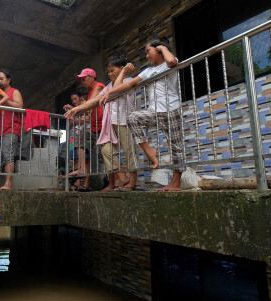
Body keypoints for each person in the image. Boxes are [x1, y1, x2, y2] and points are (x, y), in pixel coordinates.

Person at [101, 38, 186, 192]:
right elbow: (128, 84)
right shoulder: (148, 71)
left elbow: (172, 61)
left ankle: (175, 183)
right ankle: (149, 151)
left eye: (148, 51)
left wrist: (162, 47)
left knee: (176, 146)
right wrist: (109, 93)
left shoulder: (168, 62)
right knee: (133, 118)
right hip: (154, 110)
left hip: (171, 109)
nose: (146, 56)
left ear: (159, 50)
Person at [66, 58, 139, 192]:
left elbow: (117, 89)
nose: (110, 74)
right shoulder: (108, 87)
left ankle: (132, 183)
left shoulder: (128, 80)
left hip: (125, 120)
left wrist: (123, 73)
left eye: (113, 71)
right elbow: (95, 100)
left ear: (122, 68)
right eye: (108, 72)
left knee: (129, 151)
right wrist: (77, 109)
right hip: (111, 124)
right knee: (106, 150)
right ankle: (123, 179)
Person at [0, 69, 23, 190]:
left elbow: (19, 106)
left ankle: (8, 184)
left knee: (8, 155)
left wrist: (3, 100)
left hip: (11, 128)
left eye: (2, 79)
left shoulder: (14, 91)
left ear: (9, 80)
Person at [62, 91, 90, 189]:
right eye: (72, 100)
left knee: (87, 160)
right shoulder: (72, 110)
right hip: (73, 137)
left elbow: (88, 118)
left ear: (80, 98)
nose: (74, 101)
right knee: (75, 159)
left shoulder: (85, 105)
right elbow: (69, 123)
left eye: (76, 99)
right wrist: (78, 120)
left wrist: (75, 120)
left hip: (84, 135)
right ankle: (77, 184)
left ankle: (86, 184)